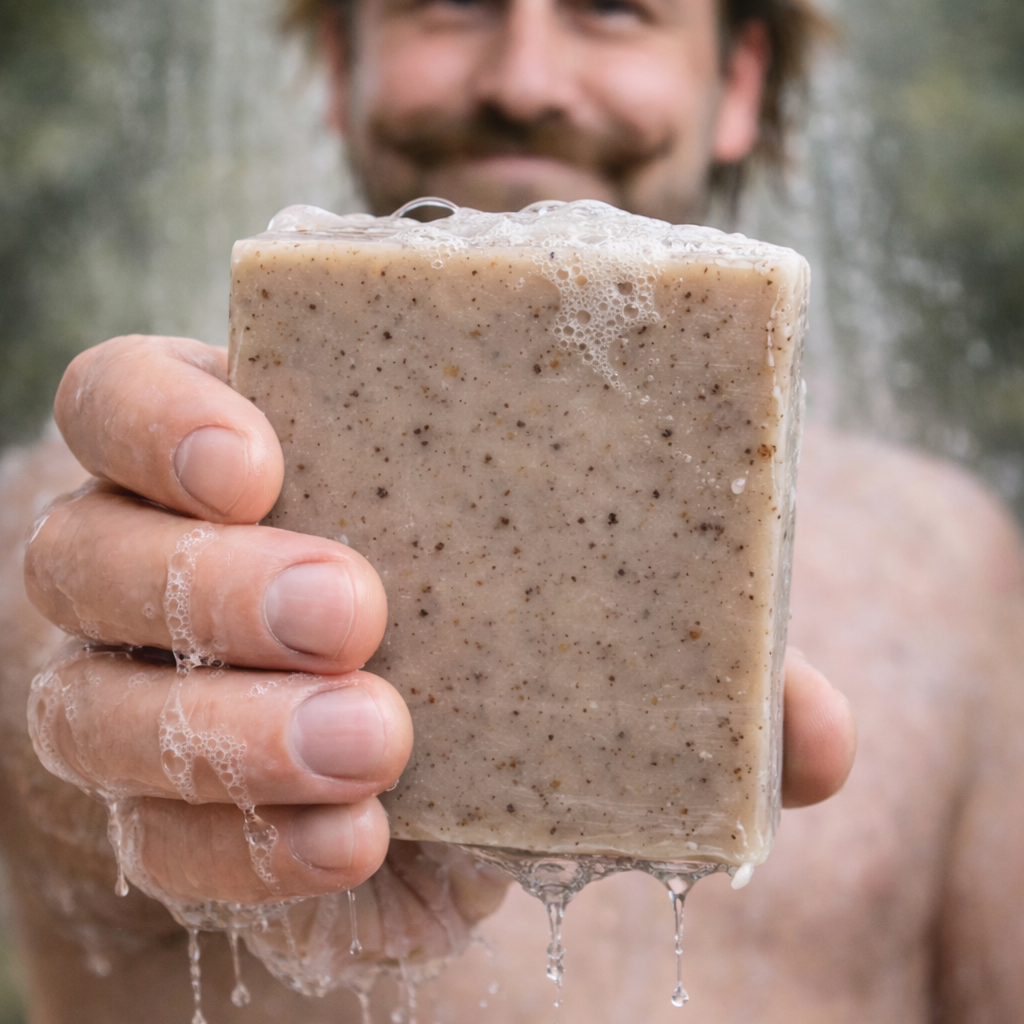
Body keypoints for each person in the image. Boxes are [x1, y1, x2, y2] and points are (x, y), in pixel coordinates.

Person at [1, 0, 1022, 1019]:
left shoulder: (949, 562)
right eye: (448, 6)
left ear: (738, 82)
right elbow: (60, 821)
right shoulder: (78, 535)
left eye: (615, 11)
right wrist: (126, 774)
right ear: (334, 64)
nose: (523, 80)